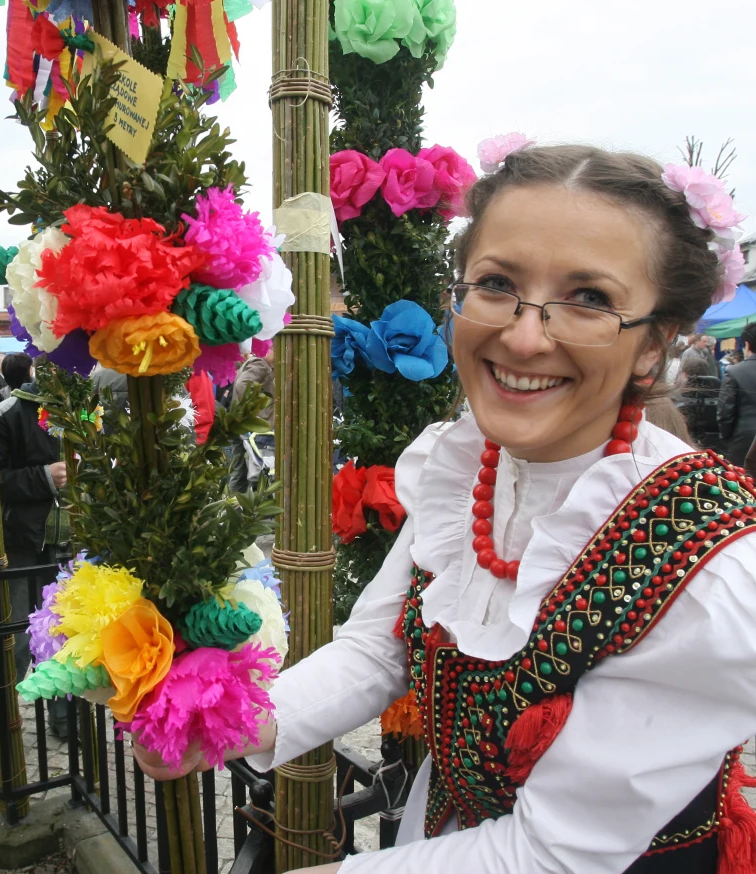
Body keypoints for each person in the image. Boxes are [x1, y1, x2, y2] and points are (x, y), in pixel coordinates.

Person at [135, 145, 756, 872]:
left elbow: (552, 854)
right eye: (496, 284)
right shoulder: (465, 469)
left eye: (589, 298)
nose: (523, 336)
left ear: (654, 344)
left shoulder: (710, 565)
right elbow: (382, 648)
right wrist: (226, 725)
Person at [0, 358, 68, 750]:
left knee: (66, 635)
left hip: (71, 547)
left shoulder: (90, 411)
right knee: (15, 638)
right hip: (22, 544)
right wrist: (43, 477)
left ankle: (66, 716)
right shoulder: (8, 413)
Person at [228, 351, 274, 492]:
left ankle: (235, 500)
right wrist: (258, 414)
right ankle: (241, 500)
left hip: (243, 425)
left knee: (240, 469)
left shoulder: (258, 364)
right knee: (257, 472)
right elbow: (242, 386)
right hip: (252, 429)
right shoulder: (261, 365)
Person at [718, 323, 756, 467]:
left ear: (747, 344)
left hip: (743, 441)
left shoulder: (734, 372)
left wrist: (726, 438)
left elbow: (725, 412)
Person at [676, 355, 723, 451]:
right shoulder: (721, 398)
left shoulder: (677, 399)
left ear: (684, 375)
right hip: (718, 450)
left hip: (686, 450)